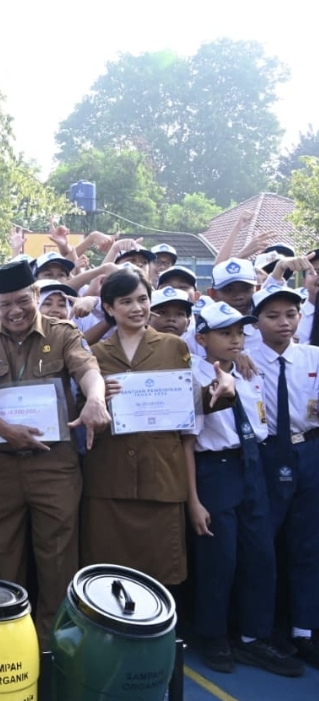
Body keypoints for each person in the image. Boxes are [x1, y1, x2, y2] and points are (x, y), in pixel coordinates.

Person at [0, 261, 109, 642]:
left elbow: (87, 368)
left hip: (53, 464)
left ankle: (51, 644)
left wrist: (95, 398)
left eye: (23, 300)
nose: (15, 311)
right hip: (0, 464)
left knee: (58, 556)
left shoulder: (62, 334)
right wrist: (6, 431)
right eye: (5, 303)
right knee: (2, 552)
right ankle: (9, 640)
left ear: (37, 296)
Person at [82, 269, 231, 587]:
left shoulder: (174, 347)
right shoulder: (94, 356)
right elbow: (79, 415)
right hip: (110, 479)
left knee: (162, 573)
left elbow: (188, 407)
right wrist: (97, 400)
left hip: (161, 476)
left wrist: (222, 394)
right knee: (109, 576)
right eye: (126, 301)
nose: (137, 308)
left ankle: (163, 637)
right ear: (109, 308)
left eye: (142, 299)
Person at [186, 301, 303, 677]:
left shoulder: (249, 371)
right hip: (215, 469)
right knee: (220, 558)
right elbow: (187, 442)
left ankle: (254, 636)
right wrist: (194, 499)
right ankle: (214, 635)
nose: (235, 339)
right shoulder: (191, 374)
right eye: (225, 333)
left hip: (252, 463)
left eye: (239, 332)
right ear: (201, 338)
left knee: (260, 555)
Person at [250, 285, 319, 668]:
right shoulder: (243, 358)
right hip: (265, 453)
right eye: (272, 316)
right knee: (262, 545)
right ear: (256, 322)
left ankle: (305, 630)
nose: (283, 323)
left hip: (307, 449)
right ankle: (260, 629)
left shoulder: (313, 357)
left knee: (308, 542)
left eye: (290, 314)